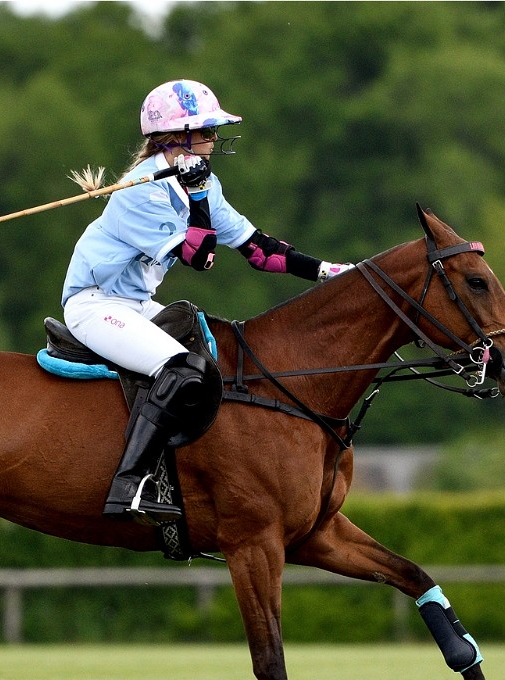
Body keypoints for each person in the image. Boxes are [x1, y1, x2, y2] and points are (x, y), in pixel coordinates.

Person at [62, 79, 354, 525]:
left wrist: (330, 272)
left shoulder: (200, 183)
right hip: (95, 305)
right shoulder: (140, 191)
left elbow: (260, 251)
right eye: (207, 131)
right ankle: (130, 485)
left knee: (216, 360)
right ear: (177, 139)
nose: (214, 139)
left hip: (135, 303)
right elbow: (199, 257)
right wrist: (197, 196)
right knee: (182, 370)